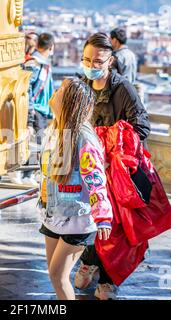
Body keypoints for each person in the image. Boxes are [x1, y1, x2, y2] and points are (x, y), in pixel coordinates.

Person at [74, 32, 150, 300]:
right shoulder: (80, 86)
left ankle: (107, 279)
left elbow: (141, 126)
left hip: (117, 171)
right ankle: (88, 258)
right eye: (86, 60)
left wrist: (110, 139)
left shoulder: (123, 89)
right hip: (87, 168)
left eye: (97, 61)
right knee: (88, 220)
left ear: (110, 61)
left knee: (115, 228)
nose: (91, 66)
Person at [39, 77, 112, 300]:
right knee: (55, 275)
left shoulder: (83, 136)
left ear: (70, 101)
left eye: (61, 89)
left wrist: (103, 216)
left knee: (58, 275)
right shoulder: (54, 129)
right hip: (53, 213)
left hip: (77, 218)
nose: (56, 91)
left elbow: (95, 177)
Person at [11, 32, 55, 186]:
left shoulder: (39, 63)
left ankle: (26, 173)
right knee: (35, 142)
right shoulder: (35, 63)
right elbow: (27, 88)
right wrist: (30, 113)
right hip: (36, 110)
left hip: (40, 110)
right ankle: (24, 173)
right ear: (51, 47)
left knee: (37, 142)